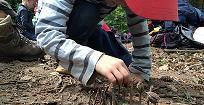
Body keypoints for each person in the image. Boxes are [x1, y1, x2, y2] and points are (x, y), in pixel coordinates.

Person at [36, 0, 178, 85]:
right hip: (62, 30)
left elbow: (139, 27)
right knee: (88, 12)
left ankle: (83, 49)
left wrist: (141, 69)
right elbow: (47, 34)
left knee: (123, 64)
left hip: (92, 30)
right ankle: (67, 59)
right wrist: (94, 58)